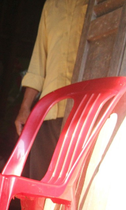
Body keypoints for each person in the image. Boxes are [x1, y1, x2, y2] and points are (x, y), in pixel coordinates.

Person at [14, 0, 88, 180]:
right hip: (49, 113)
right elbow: (39, 61)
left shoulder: (97, 6)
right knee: (39, 185)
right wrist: (25, 107)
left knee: (74, 185)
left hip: (84, 114)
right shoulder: (52, 6)